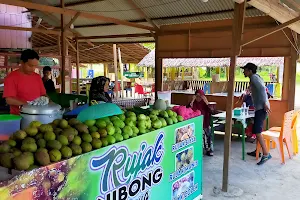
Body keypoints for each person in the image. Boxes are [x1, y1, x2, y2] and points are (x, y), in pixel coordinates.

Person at [241, 63, 271, 165]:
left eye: (244, 70)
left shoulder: (253, 77)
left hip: (261, 108)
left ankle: (266, 154)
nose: (243, 72)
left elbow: (263, 89)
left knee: (257, 131)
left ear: (249, 70)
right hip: (261, 107)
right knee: (256, 129)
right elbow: (261, 88)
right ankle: (257, 151)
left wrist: (265, 103)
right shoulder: (256, 77)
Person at [3, 49, 46, 115]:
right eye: (30, 66)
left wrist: (49, 102)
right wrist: (28, 105)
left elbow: (43, 94)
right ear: (22, 62)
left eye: (35, 66)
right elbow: (9, 100)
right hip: (19, 116)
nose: (33, 69)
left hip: (38, 114)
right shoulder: (11, 78)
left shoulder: (37, 77)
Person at [188, 89, 213, 156]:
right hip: (196, 123)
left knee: (208, 134)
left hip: (205, 122)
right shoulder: (193, 103)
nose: (198, 98)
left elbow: (211, 111)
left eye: (200, 96)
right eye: (197, 96)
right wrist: (192, 101)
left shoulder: (205, 104)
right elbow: (188, 109)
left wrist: (206, 102)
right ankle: (199, 150)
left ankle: (209, 149)